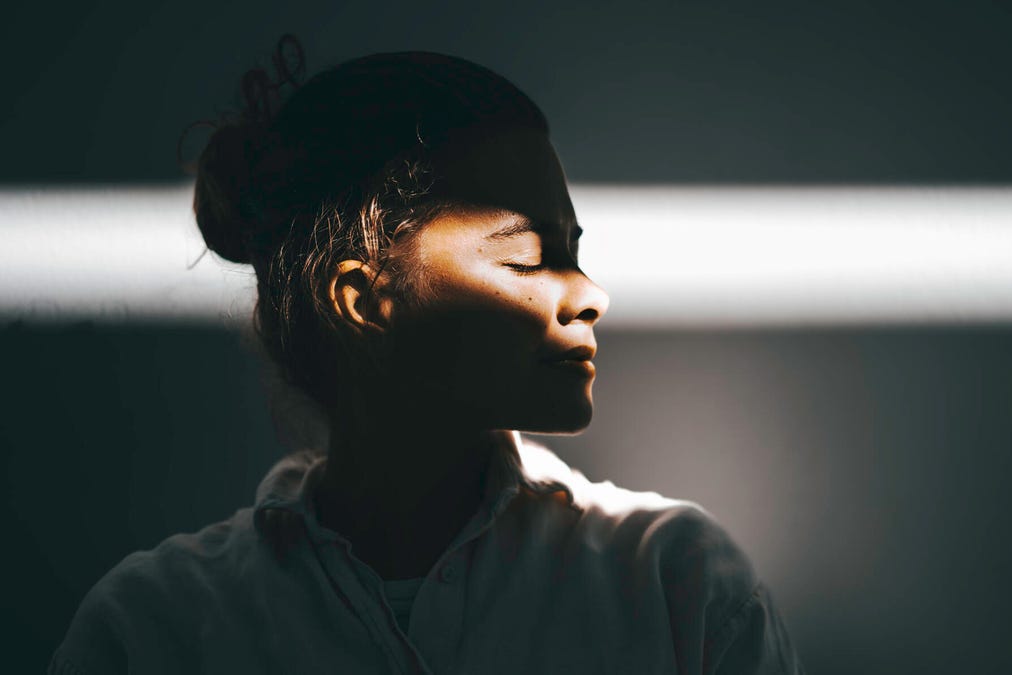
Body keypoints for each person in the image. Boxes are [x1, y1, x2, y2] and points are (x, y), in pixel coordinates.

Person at [49, 36, 801, 674]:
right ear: (363, 298)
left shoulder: (681, 587)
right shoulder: (152, 632)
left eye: (573, 248)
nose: (590, 292)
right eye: (527, 256)